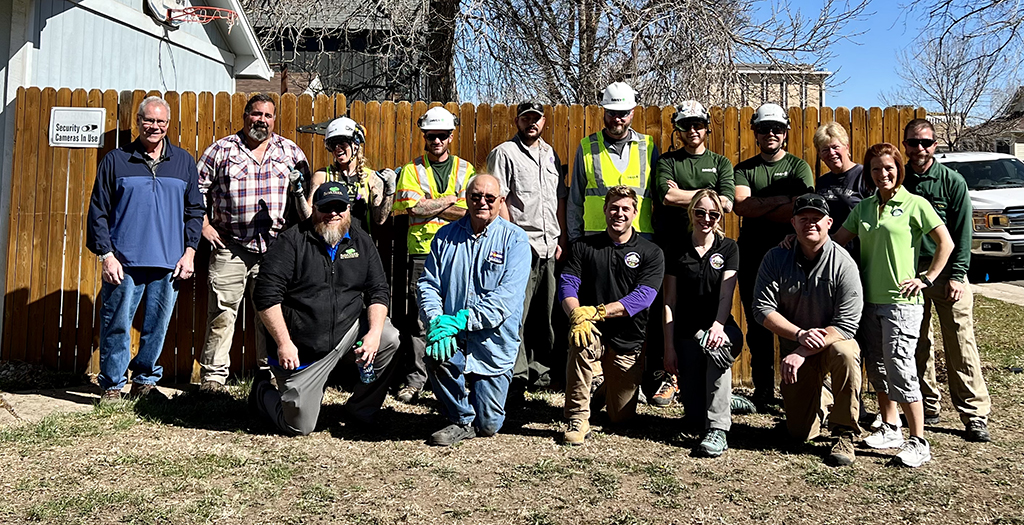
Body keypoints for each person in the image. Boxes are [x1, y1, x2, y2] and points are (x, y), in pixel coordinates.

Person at [833, 143, 954, 467]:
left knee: (901, 368)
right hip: (869, 301)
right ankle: (891, 427)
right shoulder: (866, 207)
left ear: (899, 169)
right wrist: (800, 238)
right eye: (875, 168)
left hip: (902, 303)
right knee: (878, 368)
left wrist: (926, 278)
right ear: (869, 173)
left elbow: (947, 242)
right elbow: (835, 243)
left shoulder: (915, 204)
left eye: (888, 167)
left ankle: (919, 440)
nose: (882, 174)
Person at [250, 182, 400, 436]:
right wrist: (284, 343)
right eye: (325, 208)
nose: (333, 213)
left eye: (339, 207)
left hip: (347, 332)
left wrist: (373, 334)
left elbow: (378, 290)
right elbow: (265, 296)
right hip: (302, 350)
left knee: (389, 338)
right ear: (313, 209)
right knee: (298, 426)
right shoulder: (291, 241)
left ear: (349, 209)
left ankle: (360, 409)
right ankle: (261, 392)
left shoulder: (361, 240)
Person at [87, 96, 204, 402]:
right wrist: (106, 255)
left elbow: (195, 211)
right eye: (149, 120)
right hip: (123, 262)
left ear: (168, 124)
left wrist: (190, 251)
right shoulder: (116, 160)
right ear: (137, 122)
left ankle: (144, 382)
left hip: (168, 263)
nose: (154, 127)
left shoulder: (183, 162)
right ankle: (111, 386)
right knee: (116, 324)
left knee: (156, 327)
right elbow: (98, 210)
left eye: (160, 121)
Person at [196, 93, 310, 395]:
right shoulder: (221, 151)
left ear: (275, 120)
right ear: (245, 115)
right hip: (230, 246)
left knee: (271, 312)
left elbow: (305, 198)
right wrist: (204, 226)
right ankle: (213, 378)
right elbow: (195, 192)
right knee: (222, 312)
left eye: (268, 116)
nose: (262, 120)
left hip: (274, 249)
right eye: (256, 114)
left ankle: (269, 374)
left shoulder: (290, 152)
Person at [417, 174, 530, 446]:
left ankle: (482, 405)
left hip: (492, 343)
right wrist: (436, 322)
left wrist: (461, 320)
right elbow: (428, 284)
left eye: (490, 198)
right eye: (476, 196)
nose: (482, 202)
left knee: (489, 425)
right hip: (453, 338)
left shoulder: (515, 241)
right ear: (466, 199)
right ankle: (460, 418)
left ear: (501, 201)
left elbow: (505, 299)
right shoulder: (445, 236)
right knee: (436, 353)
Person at [752, 194, 865, 466]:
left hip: (830, 344)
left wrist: (803, 348)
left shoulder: (844, 263)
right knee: (799, 433)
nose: (810, 224)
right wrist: (799, 336)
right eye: (804, 219)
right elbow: (762, 309)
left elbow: (846, 325)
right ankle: (822, 399)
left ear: (829, 223)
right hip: (795, 347)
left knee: (846, 352)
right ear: (793, 223)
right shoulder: (776, 257)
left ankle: (844, 433)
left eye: (816, 219)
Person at [902, 119, 993, 443]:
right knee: (917, 343)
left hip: (948, 274)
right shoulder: (900, 181)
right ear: (906, 145)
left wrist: (957, 275)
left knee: (960, 344)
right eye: (913, 143)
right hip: (911, 276)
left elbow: (963, 234)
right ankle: (927, 403)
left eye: (925, 142)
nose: (919, 149)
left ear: (935, 145)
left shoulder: (951, 182)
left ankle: (974, 413)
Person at [560, 186, 665, 445]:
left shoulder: (651, 252)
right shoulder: (584, 246)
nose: (619, 213)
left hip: (628, 338)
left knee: (620, 418)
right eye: (614, 208)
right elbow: (567, 284)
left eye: (625, 208)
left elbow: (644, 296)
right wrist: (576, 314)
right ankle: (577, 418)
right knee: (579, 339)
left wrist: (598, 311)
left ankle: (603, 388)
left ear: (635, 213)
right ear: (605, 210)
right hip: (593, 330)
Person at [650, 100, 736, 408]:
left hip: (710, 250)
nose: (693, 130)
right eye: (686, 125)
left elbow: (727, 204)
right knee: (669, 308)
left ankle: (710, 381)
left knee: (711, 309)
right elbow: (666, 194)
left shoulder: (721, 162)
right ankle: (669, 376)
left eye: (698, 124)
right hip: (673, 247)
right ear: (678, 129)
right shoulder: (668, 161)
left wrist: (689, 196)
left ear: (707, 127)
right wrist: (707, 194)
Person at [733, 103, 815, 409]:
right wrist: (782, 201)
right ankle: (763, 389)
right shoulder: (744, 168)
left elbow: (800, 209)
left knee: (792, 321)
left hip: (790, 254)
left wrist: (762, 204)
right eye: (764, 128)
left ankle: (793, 388)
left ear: (786, 133)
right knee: (758, 322)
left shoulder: (798, 167)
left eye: (777, 129)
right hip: (752, 253)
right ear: (755, 132)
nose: (770, 133)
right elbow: (742, 207)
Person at [392, 107, 476, 404]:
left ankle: (455, 376)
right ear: (424, 136)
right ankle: (417, 379)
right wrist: (453, 200)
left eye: (442, 136)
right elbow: (412, 208)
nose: (436, 141)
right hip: (421, 254)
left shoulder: (467, 170)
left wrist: (433, 203)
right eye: (431, 136)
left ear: (451, 136)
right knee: (419, 320)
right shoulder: (410, 170)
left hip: (458, 253)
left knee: (456, 316)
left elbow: (471, 212)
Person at [486, 101, 564, 396]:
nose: (532, 123)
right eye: (526, 118)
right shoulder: (504, 153)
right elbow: (498, 200)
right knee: (516, 314)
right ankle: (515, 374)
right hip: (522, 246)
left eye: (537, 119)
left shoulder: (550, 155)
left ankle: (540, 372)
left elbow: (558, 199)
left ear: (543, 121)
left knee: (544, 316)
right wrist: (515, 241)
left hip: (549, 246)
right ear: (517, 121)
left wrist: (561, 238)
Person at [662, 189, 743, 457]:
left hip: (722, 329)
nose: (706, 219)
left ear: (720, 218)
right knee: (695, 419)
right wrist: (669, 347)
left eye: (713, 214)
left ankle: (719, 429)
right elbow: (669, 303)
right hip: (687, 334)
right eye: (700, 212)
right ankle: (724, 399)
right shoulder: (676, 248)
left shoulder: (729, 248)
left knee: (716, 348)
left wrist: (718, 325)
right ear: (691, 213)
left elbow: (725, 295)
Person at [565, 82, 659, 242]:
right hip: (595, 239)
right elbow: (575, 199)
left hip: (640, 239)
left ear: (632, 113)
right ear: (604, 111)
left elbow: (659, 199)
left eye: (623, 113)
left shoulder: (648, 146)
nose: (617, 119)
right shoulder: (588, 147)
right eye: (611, 113)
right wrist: (574, 240)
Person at [301, 117, 397, 234]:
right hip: (329, 242)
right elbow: (307, 216)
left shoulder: (371, 177)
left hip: (359, 243)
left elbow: (379, 219)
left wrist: (390, 192)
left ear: (356, 144)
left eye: (342, 143)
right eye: (333, 144)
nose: (337, 148)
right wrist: (298, 193)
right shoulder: (322, 176)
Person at [813, 122, 874, 244]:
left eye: (835, 147)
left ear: (847, 147)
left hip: (860, 252)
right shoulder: (822, 182)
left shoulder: (865, 176)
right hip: (829, 251)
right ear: (820, 155)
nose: (831, 153)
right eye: (825, 150)